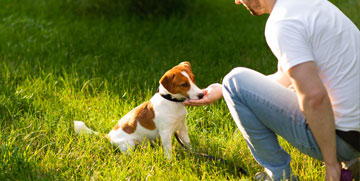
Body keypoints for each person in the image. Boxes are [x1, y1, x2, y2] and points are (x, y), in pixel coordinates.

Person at [184, 0, 360, 180]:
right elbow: (285, 77)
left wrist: (331, 164)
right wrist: (224, 90)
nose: (237, 1)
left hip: (345, 139)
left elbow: (314, 97)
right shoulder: (307, 3)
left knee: (234, 80)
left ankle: (280, 175)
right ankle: (352, 159)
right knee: (233, 85)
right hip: (355, 129)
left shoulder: (282, 23)